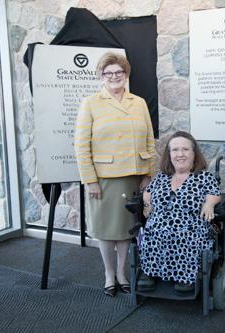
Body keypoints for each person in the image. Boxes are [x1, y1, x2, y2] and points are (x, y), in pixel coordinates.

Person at [74, 52, 155, 297]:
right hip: (104, 179)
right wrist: (90, 180)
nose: (114, 76)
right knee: (106, 229)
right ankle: (109, 273)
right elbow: (81, 145)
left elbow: (150, 140)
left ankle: (122, 273)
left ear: (126, 73)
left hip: (133, 175)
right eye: (108, 72)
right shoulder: (90, 103)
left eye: (118, 72)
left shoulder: (138, 102)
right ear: (101, 76)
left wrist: (148, 173)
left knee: (125, 229)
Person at [138, 131, 221, 294]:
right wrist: (147, 205)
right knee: (150, 232)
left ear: (193, 153)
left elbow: (214, 193)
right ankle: (150, 272)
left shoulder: (204, 177)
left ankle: (185, 276)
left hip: (191, 227)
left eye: (185, 149)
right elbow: (148, 192)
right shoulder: (162, 177)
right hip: (159, 225)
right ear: (169, 155)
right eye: (175, 150)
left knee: (184, 235)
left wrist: (209, 204)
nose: (180, 154)